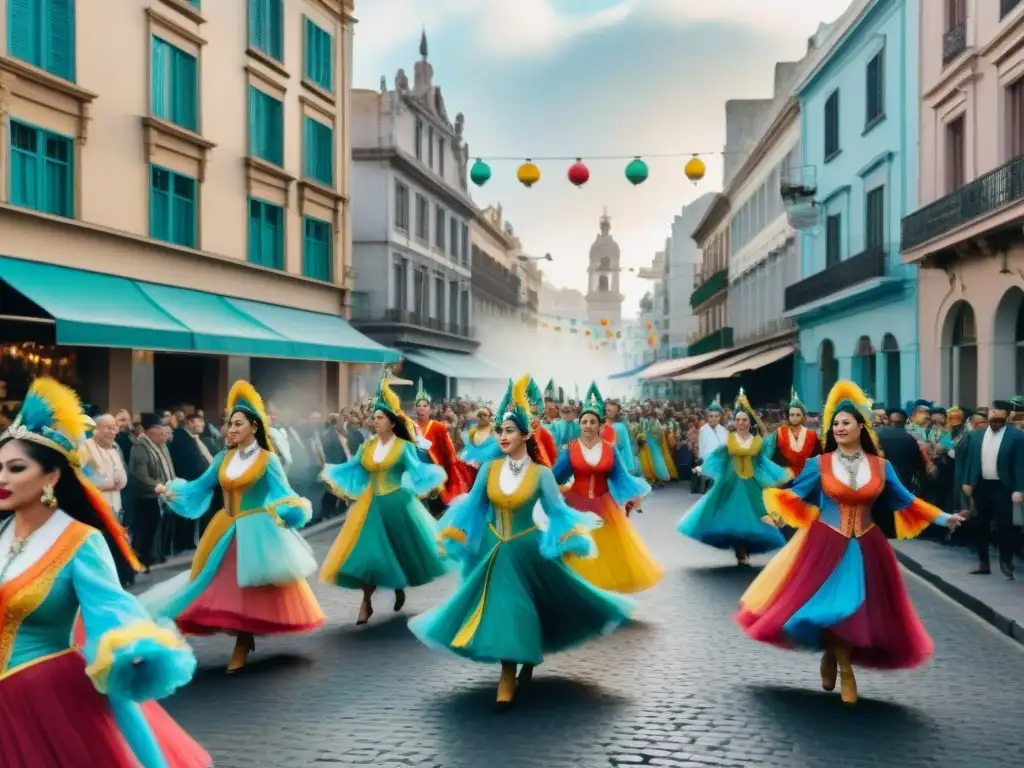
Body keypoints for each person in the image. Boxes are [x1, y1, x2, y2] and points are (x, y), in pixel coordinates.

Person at [0, 378, 210, 767]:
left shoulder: (79, 541)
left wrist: (131, 648)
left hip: (45, 700)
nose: (2, 479)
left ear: (51, 477)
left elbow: (111, 608)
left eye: (15, 468)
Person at [408, 376, 632, 710]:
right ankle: (507, 673)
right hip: (495, 551)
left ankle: (524, 659)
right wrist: (455, 536)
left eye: (509, 431)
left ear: (526, 435)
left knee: (535, 606)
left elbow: (558, 513)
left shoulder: (541, 475)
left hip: (530, 549)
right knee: (507, 608)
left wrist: (571, 537)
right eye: (500, 431)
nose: (502, 436)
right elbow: (473, 508)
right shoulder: (489, 471)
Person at [736, 381, 964, 706]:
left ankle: (833, 656)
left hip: (868, 546)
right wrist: (777, 516)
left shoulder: (881, 467)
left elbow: (907, 501)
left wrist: (945, 518)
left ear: (861, 427)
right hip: (826, 543)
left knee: (853, 611)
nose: (840, 428)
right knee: (834, 607)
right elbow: (795, 494)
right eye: (836, 424)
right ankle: (846, 670)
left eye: (846, 423)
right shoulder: (820, 464)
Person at [141, 381, 325, 674]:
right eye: (229, 424)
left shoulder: (268, 460)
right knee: (210, 584)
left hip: (258, 528)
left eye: (238, 424)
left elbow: (284, 493)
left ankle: (242, 641)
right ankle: (232, 634)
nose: (231, 429)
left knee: (248, 589)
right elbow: (200, 486)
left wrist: (293, 510)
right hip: (224, 527)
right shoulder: (222, 459)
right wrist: (175, 492)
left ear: (254, 426)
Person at [319, 373, 450, 624]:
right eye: (374, 418)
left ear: (391, 422)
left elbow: (418, 470)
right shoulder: (366, 447)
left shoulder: (404, 447)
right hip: (370, 506)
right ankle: (365, 603)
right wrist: (332, 475)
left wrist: (431, 485)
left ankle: (399, 587)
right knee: (369, 555)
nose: (374, 421)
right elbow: (353, 467)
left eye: (379, 418)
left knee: (399, 551)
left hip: (399, 504)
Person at [553, 382, 661, 593]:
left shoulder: (610, 450)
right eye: (584, 421)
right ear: (579, 424)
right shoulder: (571, 449)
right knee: (578, 549)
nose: (587, 426)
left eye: (592, 422)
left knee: (605, 552)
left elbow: (622, 477)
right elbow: (555, 476)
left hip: (604, 504)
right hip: (576, 504)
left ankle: (600, 593)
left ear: (600, 425)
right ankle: (580, 592)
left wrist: (633, 496)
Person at [678, 390, 789, 565]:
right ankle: (740, 551)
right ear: (734, 422)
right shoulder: (729, 439)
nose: (741, 422)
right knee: (734, 517)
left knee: (754, 517)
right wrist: (702, 467)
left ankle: (746, 547)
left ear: (749, 421)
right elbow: (718, 456)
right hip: (731, 482)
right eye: (738, 419)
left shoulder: (757, 441)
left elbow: (762, 461)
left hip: (751, 483)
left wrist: (777, 475)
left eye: (744, 420)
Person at [960, 400, 1024, 578]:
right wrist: (967, 481)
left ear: (1007, 419)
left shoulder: (1016, 437)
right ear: (988, 418)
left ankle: (1006, 560)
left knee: (1005, 527)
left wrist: (1020, 489)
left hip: (1003, 487)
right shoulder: (976, 436)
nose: (996, 424)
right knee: (980, 524)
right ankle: (983, 563)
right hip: (981, 486)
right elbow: (970, 460)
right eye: (993, 421)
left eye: (1000, 421)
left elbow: (1020, 465)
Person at [412, 379, 470, 519]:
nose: (421, 408)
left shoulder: (439, 427)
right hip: (416, 471)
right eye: (419, 405)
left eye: (425, 405)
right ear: (415, 408)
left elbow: (449, 451)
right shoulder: (411, 426)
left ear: (430, 409)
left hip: (436, 471)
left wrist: (450, 469)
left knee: (436, 508)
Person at [764, 389, 821, 477]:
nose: (794, 417)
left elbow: (818, 458)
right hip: (784, 476)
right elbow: (772, 454)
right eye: (792, 415)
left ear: (803, 417)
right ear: (788, 416)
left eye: (798, 415)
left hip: (806, 477)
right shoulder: (781, 432)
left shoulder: (811, 435)